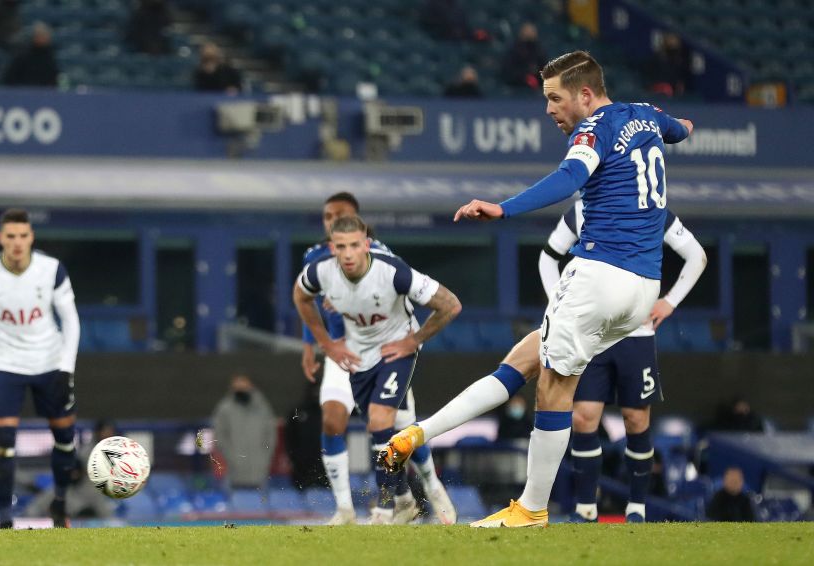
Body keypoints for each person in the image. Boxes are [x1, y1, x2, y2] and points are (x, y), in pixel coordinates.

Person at [379, 50, 694, 528]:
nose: (549, 110)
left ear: (585, 96)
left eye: (555, 98)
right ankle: (416, 435)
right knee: (525, 360)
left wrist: (503, 208)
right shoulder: (647, 115)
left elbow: (570, 177)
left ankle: (531, 507)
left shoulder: (594, 129)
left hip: (600, 274)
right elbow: (680, 127)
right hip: (644, 287)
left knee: (553, 387)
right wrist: (684, 127)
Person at [540, 202, 707, 522]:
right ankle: (586, 507)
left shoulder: (653, 209)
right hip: (593, 335)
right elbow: (548, 257)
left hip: (637, 338)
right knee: (584, 417)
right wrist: (559, 305)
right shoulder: (582, 210)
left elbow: (696, 255)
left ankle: (637, 508)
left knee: (635, 420)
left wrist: (669, 302)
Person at [294, 215, 462, 524]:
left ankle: (388, 508)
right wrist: (326, 344)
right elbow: (300, 296)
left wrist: (415, 339)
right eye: (341, 247)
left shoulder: (394, 271)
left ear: (367, 245)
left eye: (355, 246)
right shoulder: (320, 272)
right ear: (332, 248)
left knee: (381, 420)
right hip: (359, 355)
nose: (347, 254)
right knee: (384, 428)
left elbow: (450, 304)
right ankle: (406, 499)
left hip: (396, 348)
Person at [0, 208, 80, 529]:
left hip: (49, 361)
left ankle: (60, 503)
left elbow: (71, 319)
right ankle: (5, 521)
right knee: (4, 441)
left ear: (31, 238)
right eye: (10, 236)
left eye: (22, 236)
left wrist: (66, 369)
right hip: (6, 364)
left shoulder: (51, 270)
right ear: (0, 238)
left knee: (66, 438)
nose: (16, 243)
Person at [25, 419, 118, 520]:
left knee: (109, 517)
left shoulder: (114, 451)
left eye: (110, 431)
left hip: (95, 496)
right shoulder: (87, 451)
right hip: (79, 494)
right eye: (106, 430)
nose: (108, 433)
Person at [212, 374, 277, 490]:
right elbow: (220, 437)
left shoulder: (262, 408)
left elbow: (270, 436)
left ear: (251, 386)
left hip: (259, 472)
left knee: (259, 505)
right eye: (238, 387)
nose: (241, 390)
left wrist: (264, 458)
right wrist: (231, 457)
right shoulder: (224, 409)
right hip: (234, 472)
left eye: (244, 386)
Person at [2, 22, 60, 88]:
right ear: (34, 37)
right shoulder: (22, 55)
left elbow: (54, 80)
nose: (42, 38)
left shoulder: (51, 57)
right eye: (39, 35)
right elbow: (9, 78)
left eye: (45, 35)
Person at [501, 23, 547, 91]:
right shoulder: (514, 49)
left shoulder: (538, 49)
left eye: (532, 31)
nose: (530, 33)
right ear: (521, 32)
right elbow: (509, 69)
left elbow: (544, 66)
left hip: (537, 81)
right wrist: (526, 75)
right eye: (527, 31)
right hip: (518, 82)